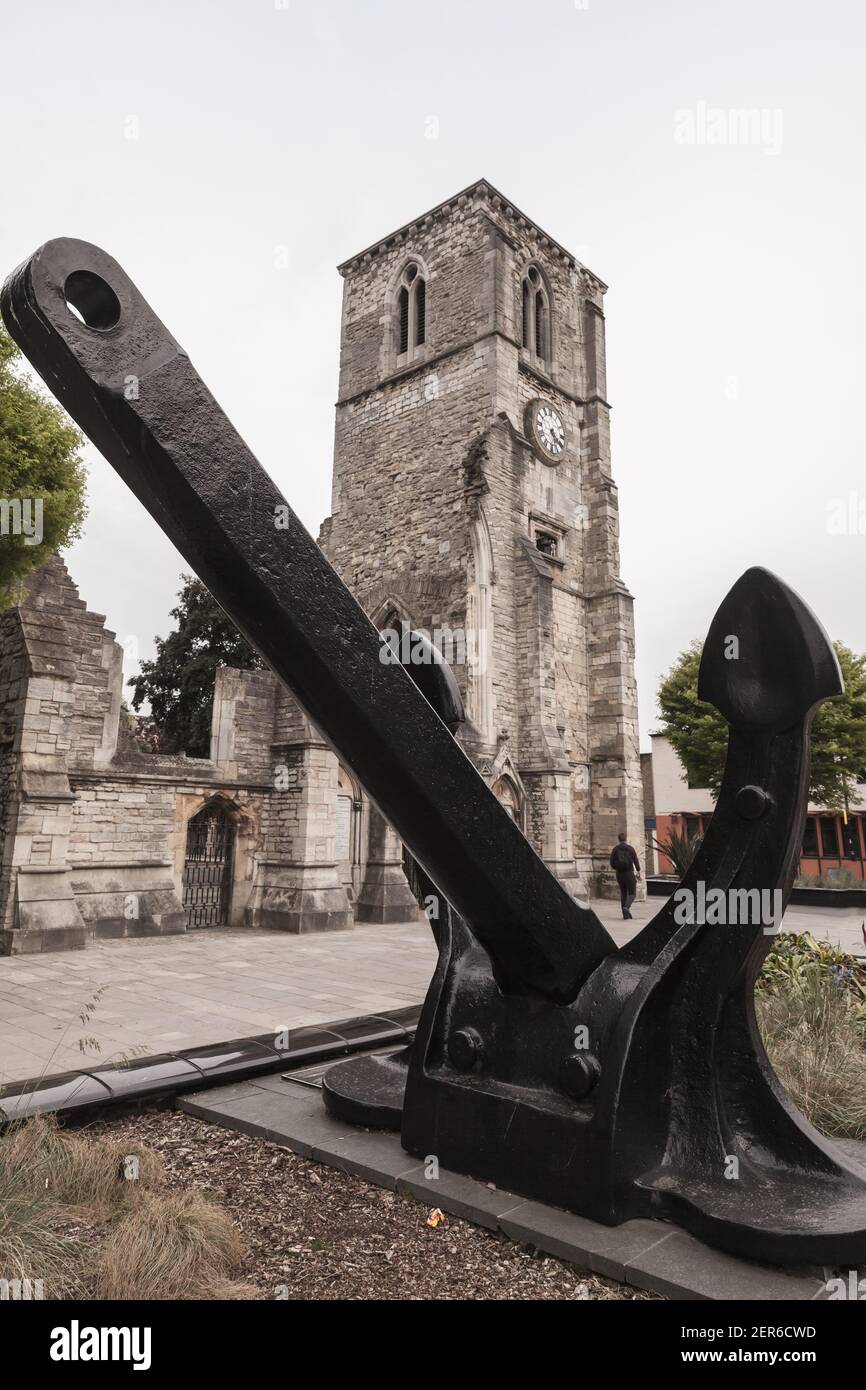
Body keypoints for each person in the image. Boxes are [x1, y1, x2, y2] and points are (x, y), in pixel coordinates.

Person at [610, 831, 640, 920]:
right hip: (629, 873)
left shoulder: (615, 849)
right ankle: (626, 907)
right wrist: (638, 870)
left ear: (619, 839)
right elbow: (635, 860)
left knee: (623, 893)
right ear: (626, 839)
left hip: (619, 874)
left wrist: (618, 868)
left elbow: (611, 863)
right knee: (632, 893)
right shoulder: (630, 849)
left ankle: (625, 915)